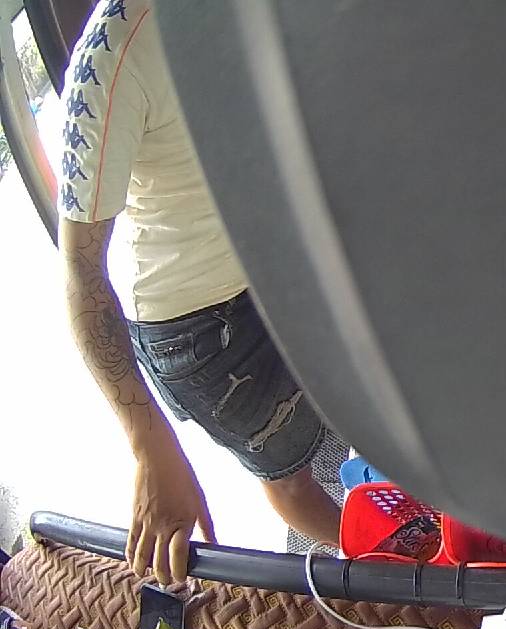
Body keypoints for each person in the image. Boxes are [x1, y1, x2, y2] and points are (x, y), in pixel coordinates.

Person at [56, 0, 340, 584]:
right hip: (201, 324)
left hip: (284, 255)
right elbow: (82, 276)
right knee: (289, 474)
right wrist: (149, 447)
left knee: (362, 396)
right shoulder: (111, 55)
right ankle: (393, 566)